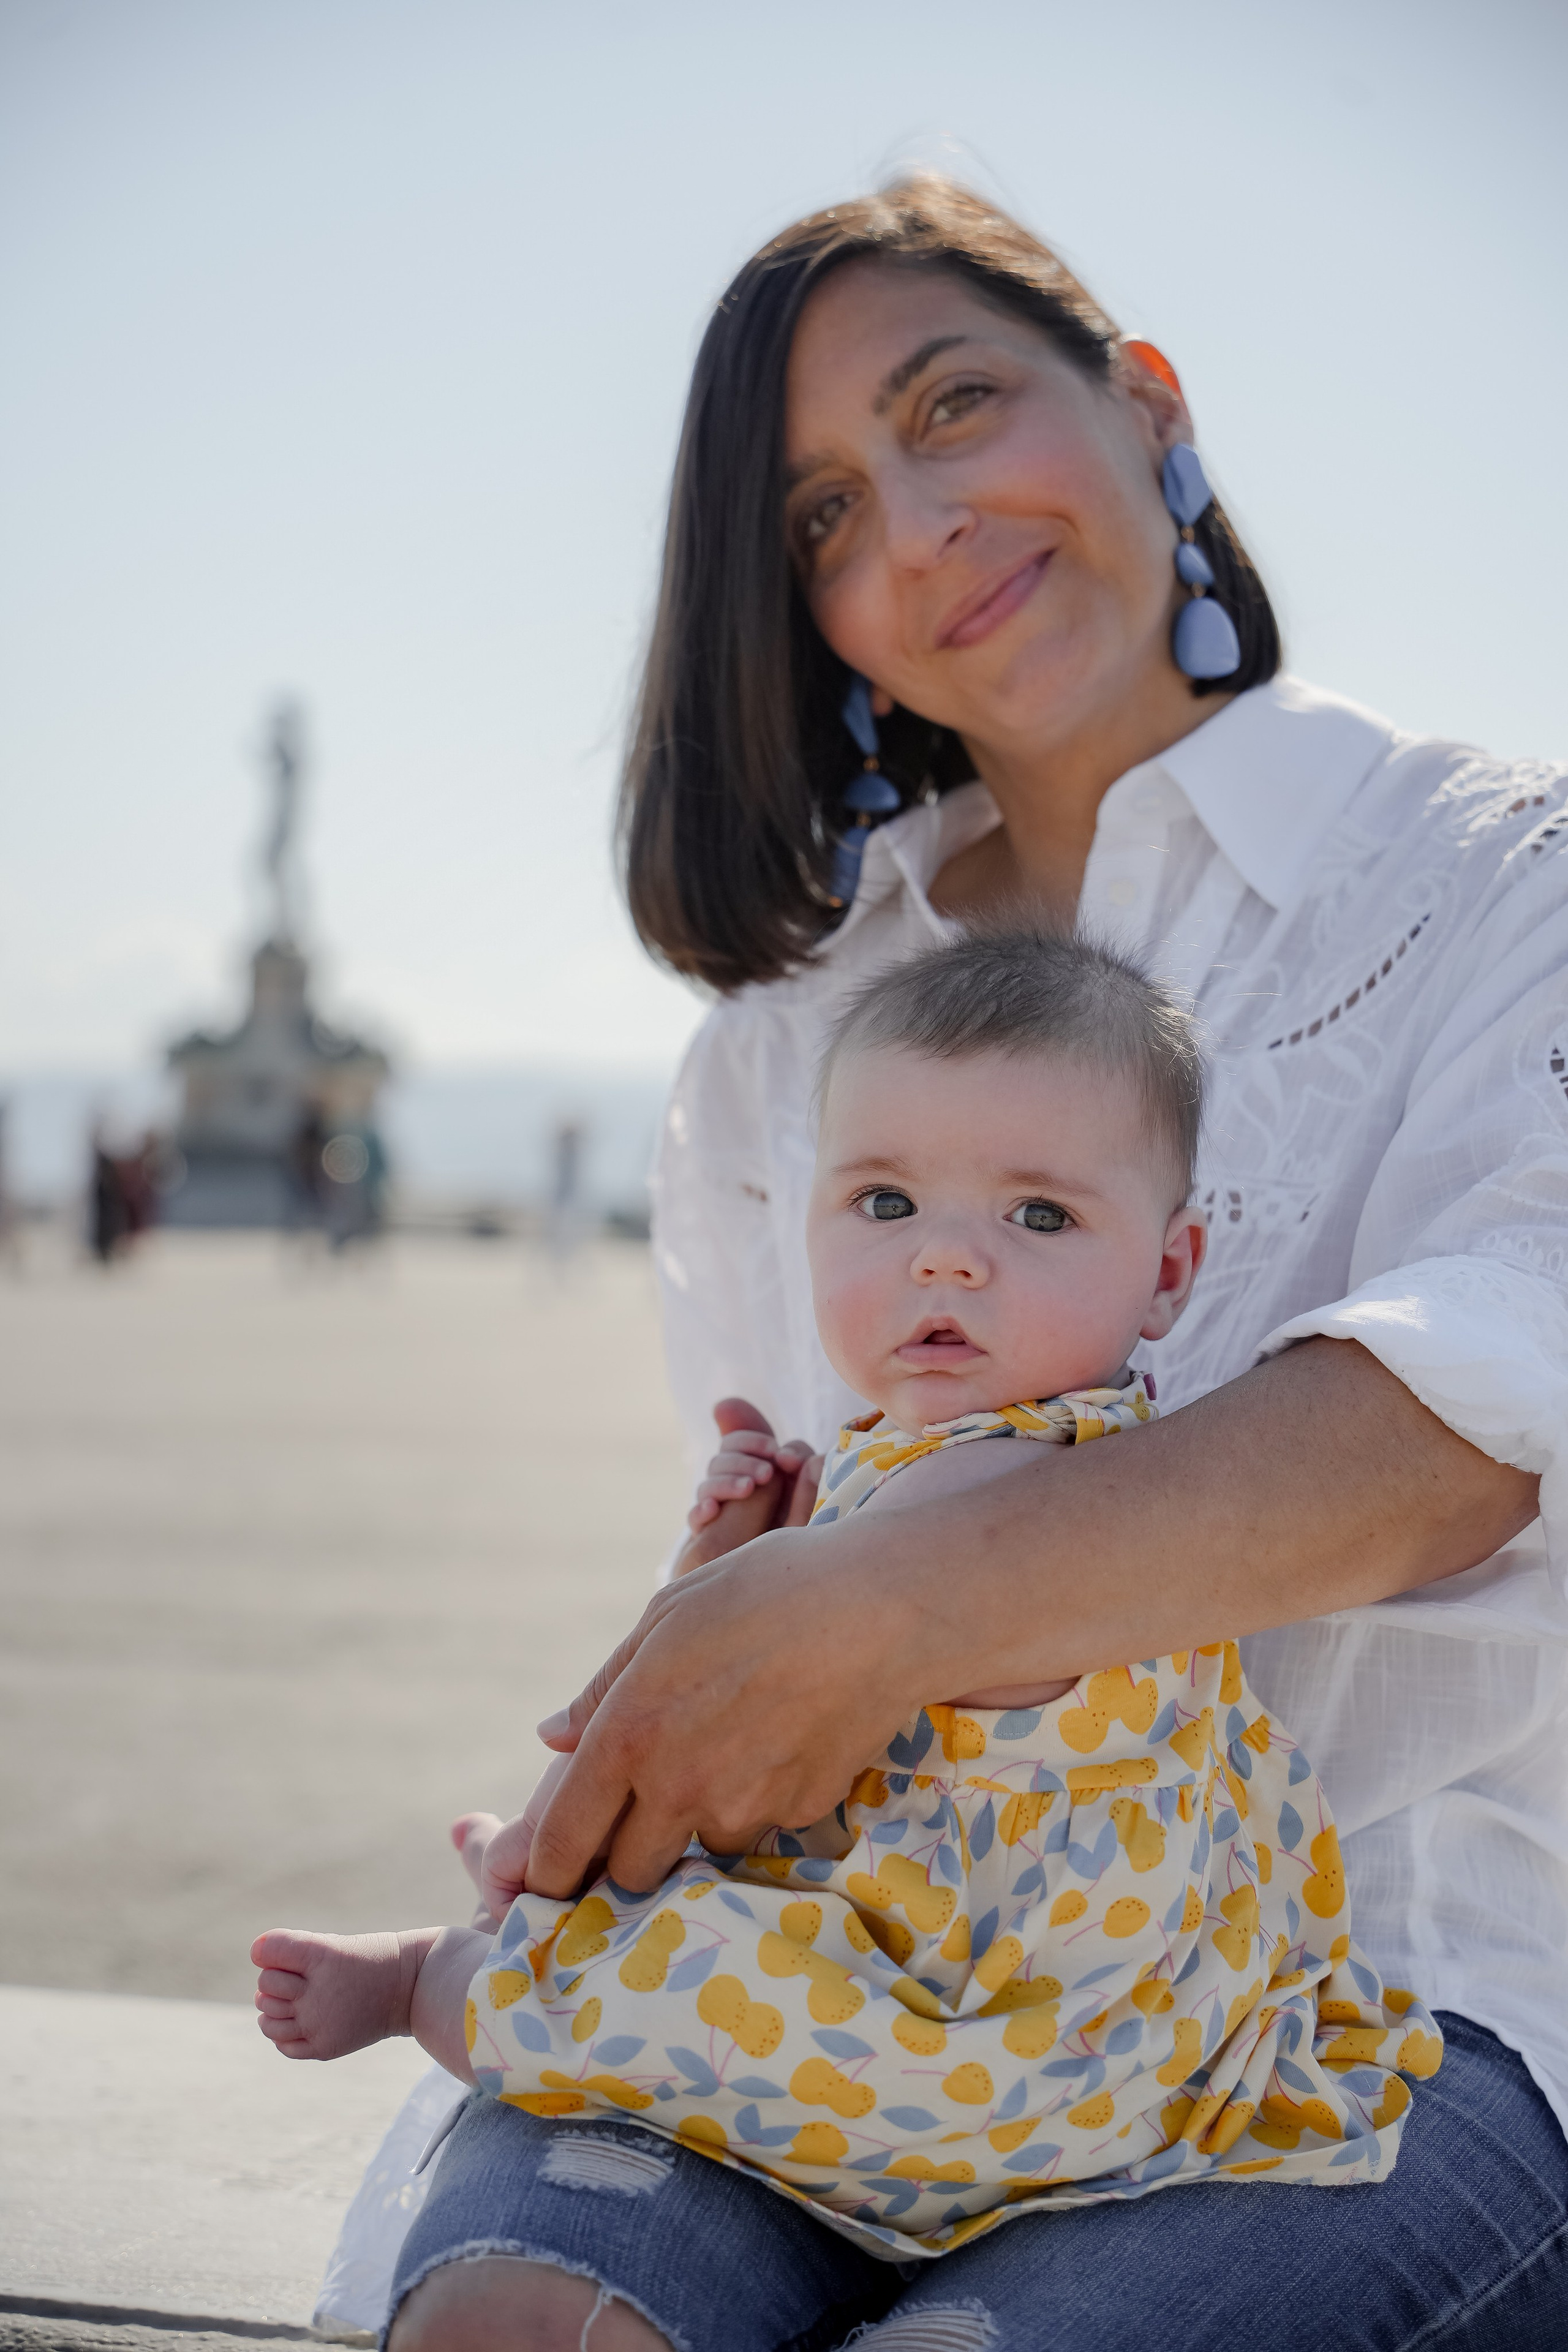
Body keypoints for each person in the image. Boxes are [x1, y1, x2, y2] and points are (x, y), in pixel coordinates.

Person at [319, 178, 1568, 2350]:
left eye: (956, 405)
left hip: (1370, 2004)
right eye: (821, 514)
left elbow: (1486, 1409)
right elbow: (788, 1561)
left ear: (1148, 405)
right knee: (520, 2321)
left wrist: (887, 1604)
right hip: (834, 1966)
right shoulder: (787, 1034)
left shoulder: (1501, 879)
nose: (916, 529)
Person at [256, 933, 1442, 2253]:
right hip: (943, 1919)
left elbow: (719, 1674)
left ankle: (451, 1976)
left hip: (981, 2011)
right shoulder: (964, 1460)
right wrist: (745, 1540)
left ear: (1168, 1273)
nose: (947, 1260)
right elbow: (745, 1679)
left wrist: (731, 1567)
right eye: (885, 1204)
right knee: (715, 1872)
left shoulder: (1028, 1488)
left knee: (695, 2004)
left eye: (1037, 1216)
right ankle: (542, 1894)